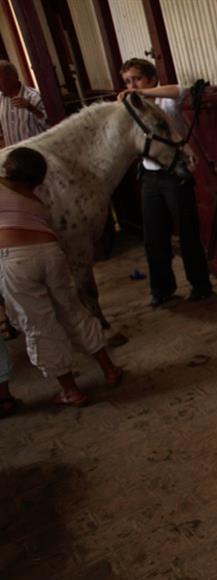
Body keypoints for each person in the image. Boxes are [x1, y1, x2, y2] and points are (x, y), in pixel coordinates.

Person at [0, 147, 123, 406]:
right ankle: (109, 369)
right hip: (51, 253)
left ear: (10, 168)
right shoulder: (35, 201)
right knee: (73, 311)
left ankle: (70, 390)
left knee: (39, 324)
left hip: (16, 260)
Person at [117, 58, 212, 308]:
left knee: (187, 232)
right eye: (128, 81)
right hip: (150, 175)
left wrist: (141, 92)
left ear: (151, 79)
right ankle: (162, 289)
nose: (132, 85)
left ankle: (200, 285)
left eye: (137, 78)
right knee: (154, 236)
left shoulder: (165, 101)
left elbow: (181, 90)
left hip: (175, 175)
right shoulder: (135, 108)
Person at [0, 60, 48, 147]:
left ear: (13, 76)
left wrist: (31, 108)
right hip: (14, 155)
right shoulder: (0, 99)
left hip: (36, 152)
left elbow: (49, 125)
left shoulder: (34, 96)